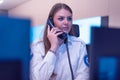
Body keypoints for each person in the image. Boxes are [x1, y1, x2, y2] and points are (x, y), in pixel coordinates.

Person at [30, 3, 89, 80]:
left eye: (69, 18)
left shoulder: (79, 44)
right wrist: (53, 48)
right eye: (61, 18)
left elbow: (84, 75)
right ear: (51, 22)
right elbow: (36, 78)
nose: (66, 22)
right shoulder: (37, 46)